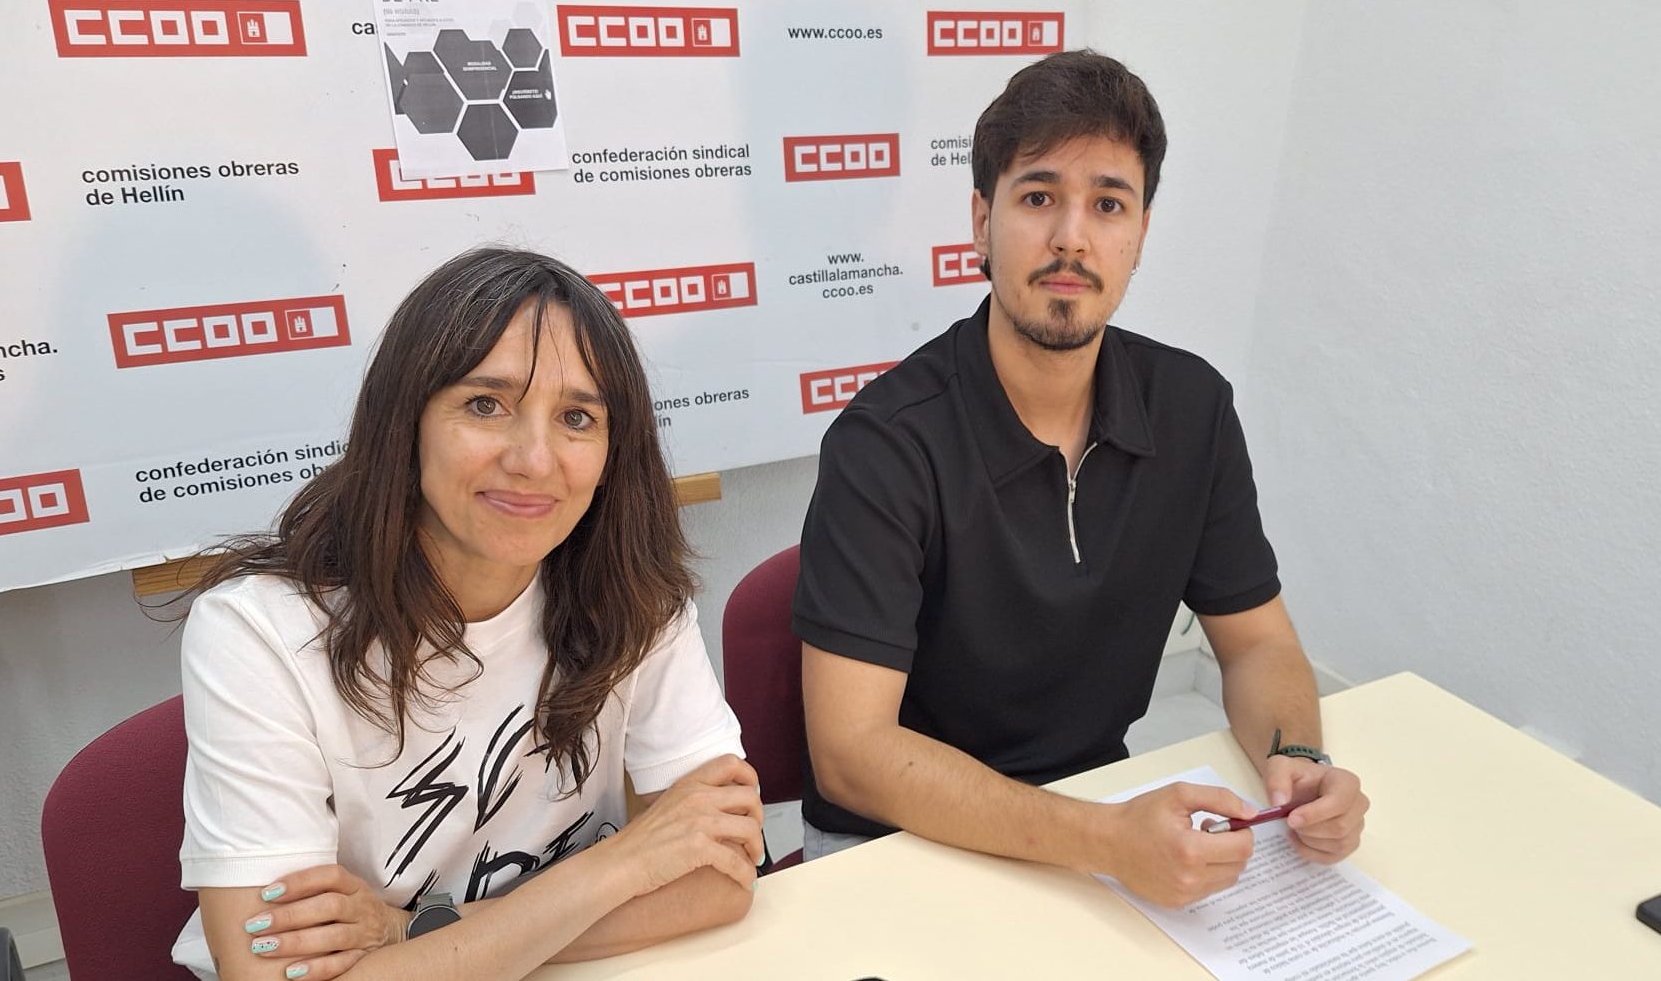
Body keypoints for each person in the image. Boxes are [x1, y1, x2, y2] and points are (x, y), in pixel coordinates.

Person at [793, 50, 1369, 908]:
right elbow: (852, 753)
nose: (1071, 236)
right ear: (982, 222)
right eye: (1038, 198)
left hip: (1091, 822)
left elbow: (1258, 643)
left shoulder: (1193, 409)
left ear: (1140, 234)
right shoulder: (885, 442)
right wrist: (1102, 840)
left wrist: (1300, 759)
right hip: (896, 845)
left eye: (1108, 203)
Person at [170, 247, 763, 981]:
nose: (535, 459)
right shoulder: (258, 631)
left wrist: (410, 931)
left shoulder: (634, 594)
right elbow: (268, 976)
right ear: (405, 423)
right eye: (486, 405)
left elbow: (718, 881)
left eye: (577, 418)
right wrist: (622, 866)